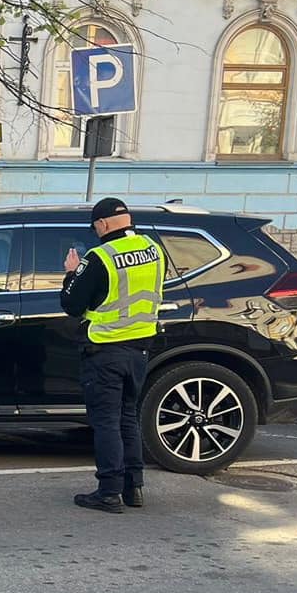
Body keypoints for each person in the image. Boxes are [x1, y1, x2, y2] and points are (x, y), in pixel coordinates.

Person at [60, 197, 166, 514]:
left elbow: (72, 305)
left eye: (96, 227)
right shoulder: (153, 249)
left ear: (103, 225)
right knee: (127, 419)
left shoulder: (100, 257)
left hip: (105, 349)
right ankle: (134, 488)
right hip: (140, 349)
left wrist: (70, 273)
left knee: (106, 421)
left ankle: (108, 491)